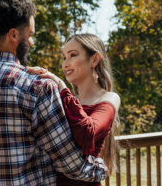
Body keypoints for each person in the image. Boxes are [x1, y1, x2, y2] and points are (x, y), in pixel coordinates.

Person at [0, 0, 108, 185]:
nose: (31, 43)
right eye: (30, 36)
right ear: (13, 35)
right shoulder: (37, 87)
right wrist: (101, 169)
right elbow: (70, 163)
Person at [27, 33, 121, 186]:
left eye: (73, 55)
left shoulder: (110, 98)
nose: (65, 64)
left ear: (95, 59)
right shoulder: (64, 100)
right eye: (64, 57)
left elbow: (87, 133)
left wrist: (61, 86)